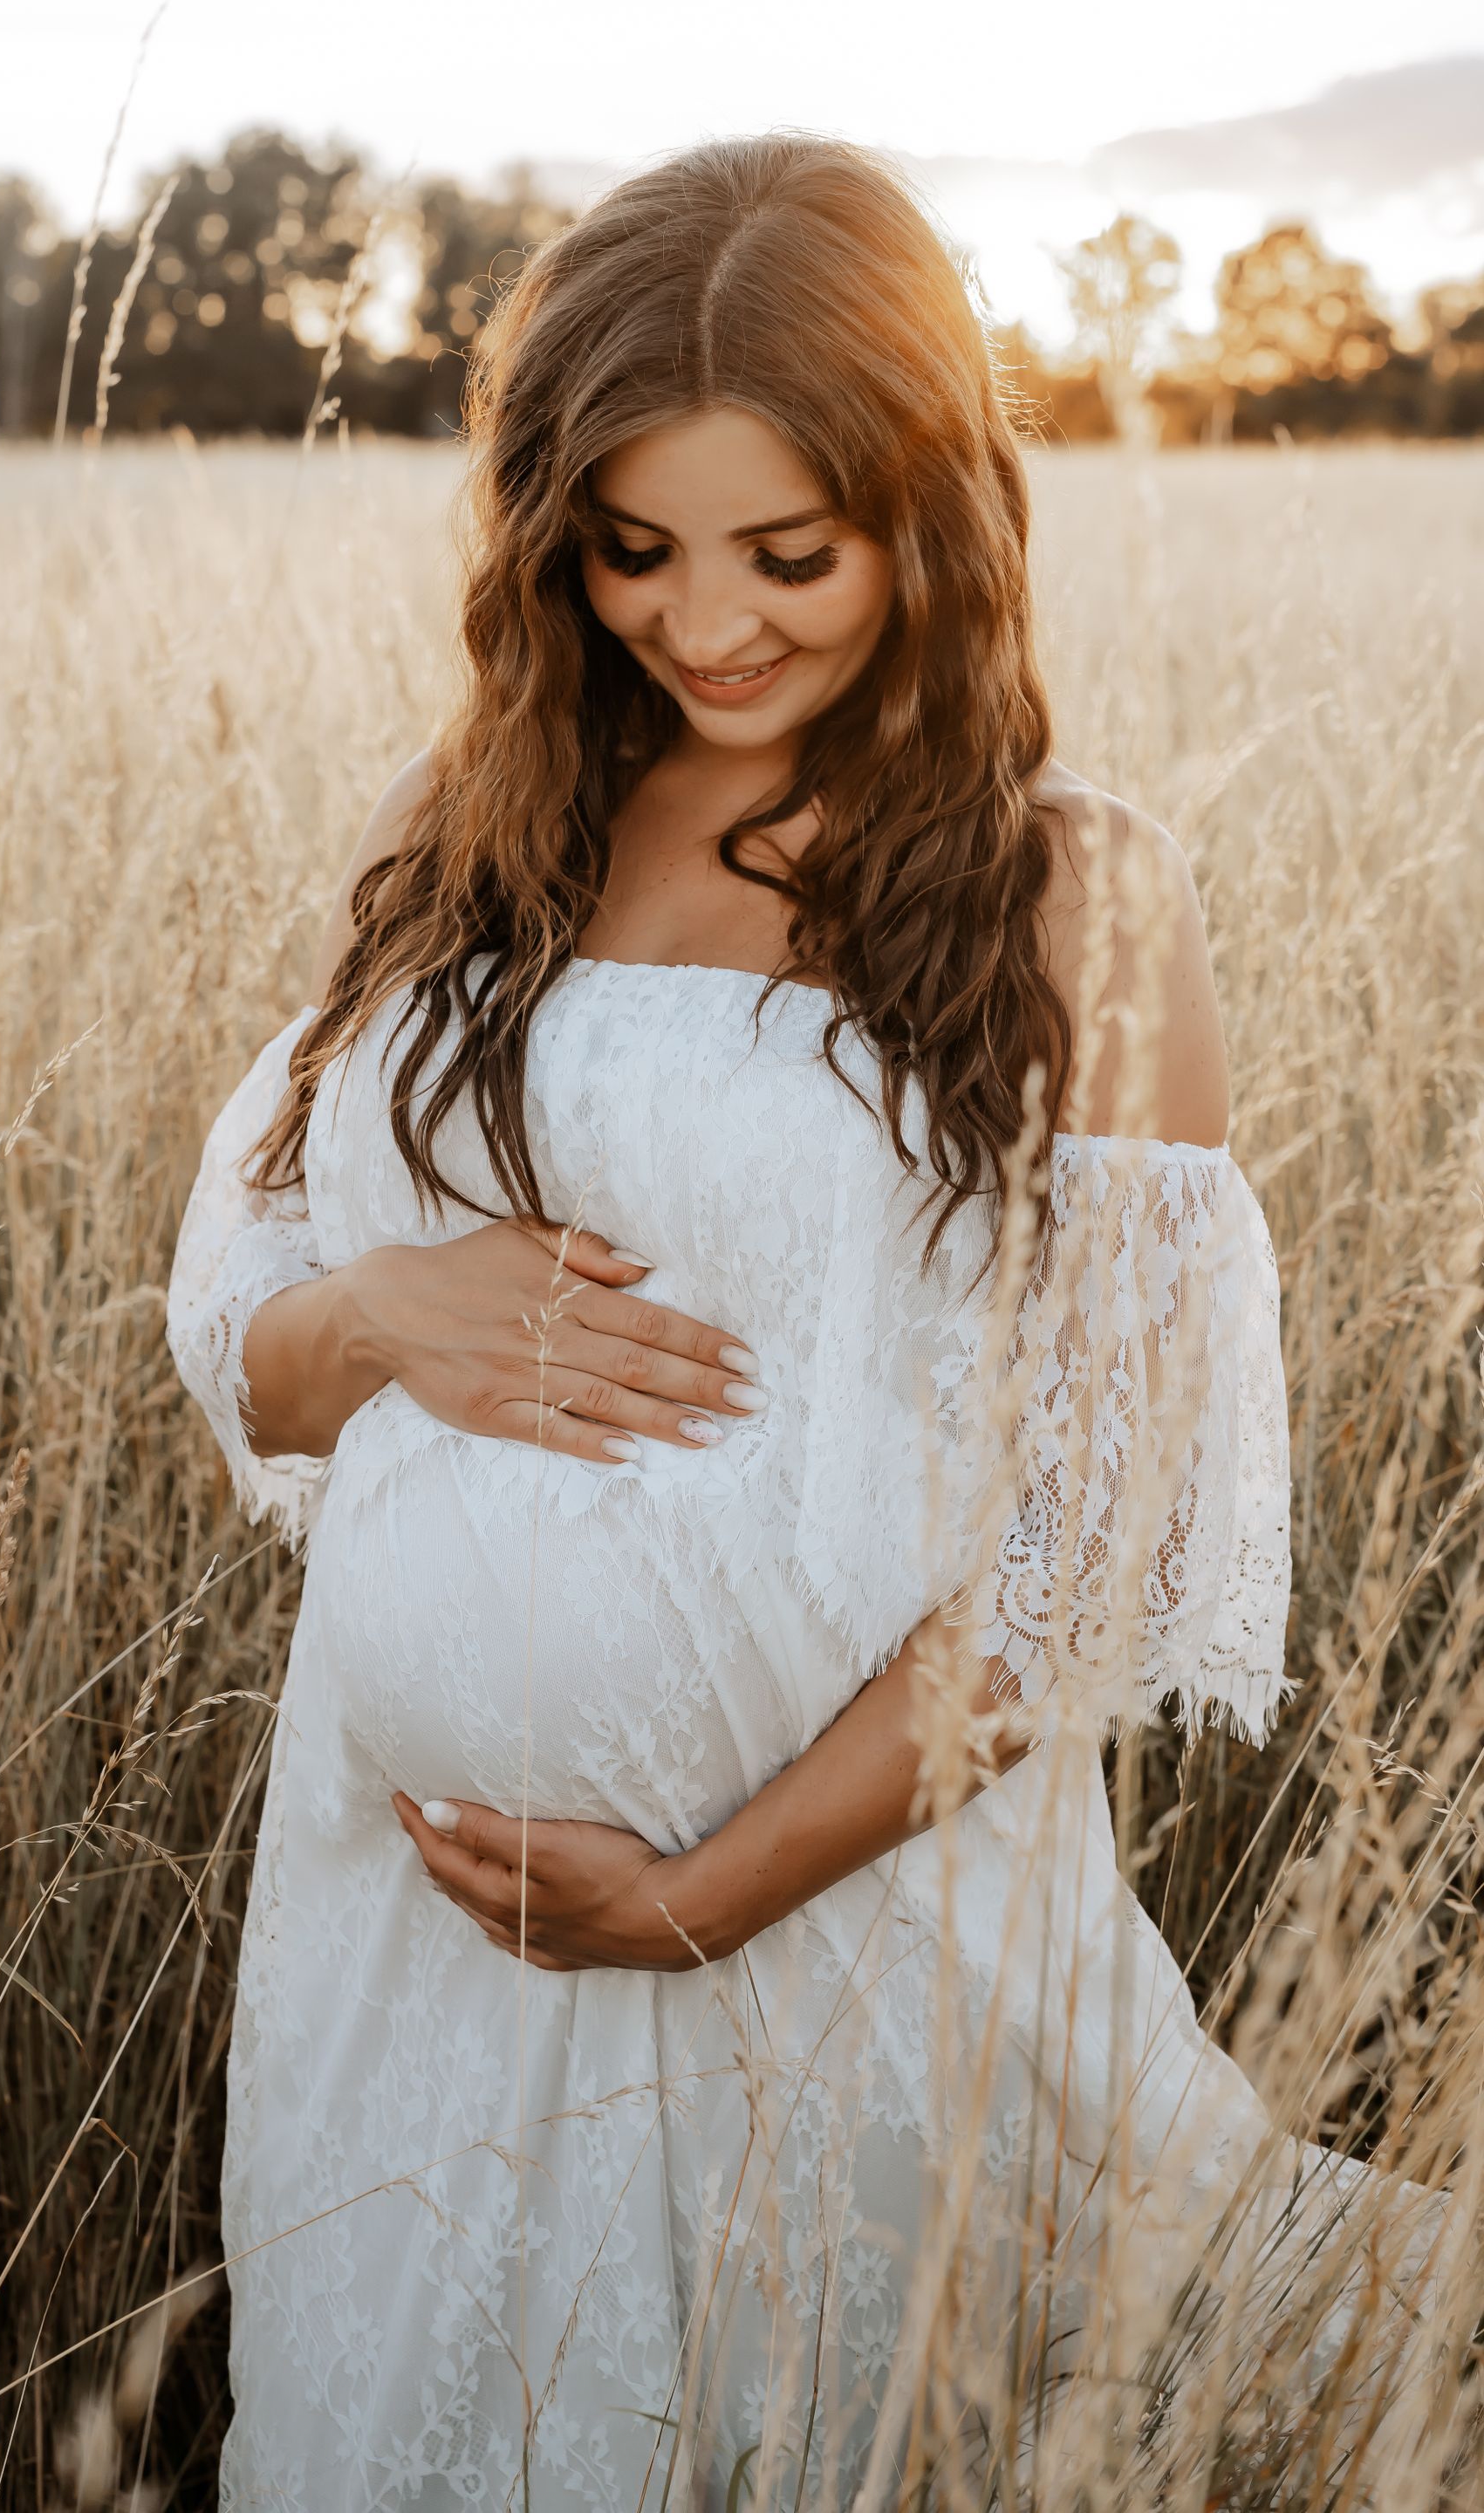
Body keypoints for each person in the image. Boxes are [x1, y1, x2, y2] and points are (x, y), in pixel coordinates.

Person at [168, 134, 1446, 2512]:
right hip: (415, 1946)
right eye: (634, 549)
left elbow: (1092, 1545)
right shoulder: (481, 838)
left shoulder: (1077, 892)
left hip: (845, 1927)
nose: (708, 623)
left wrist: (701, 1891)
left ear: (932, 518)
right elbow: (240, 1335)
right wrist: (383, 1311)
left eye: (792, 552)